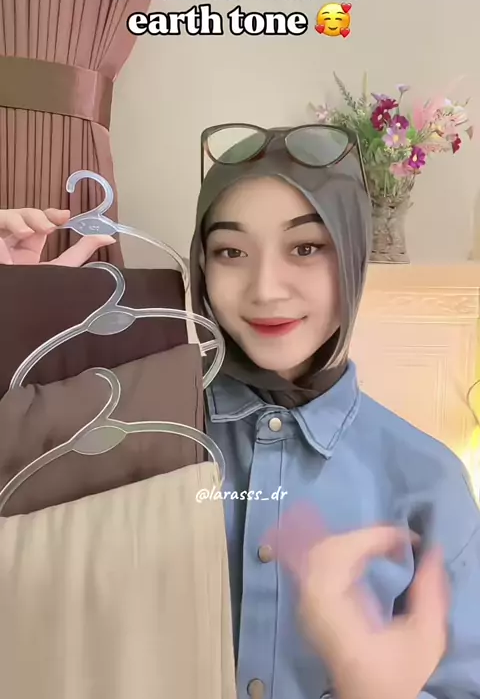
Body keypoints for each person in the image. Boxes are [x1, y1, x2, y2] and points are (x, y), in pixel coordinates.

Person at [0, 123, 479, 699]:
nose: (266, 289)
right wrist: (21, 326)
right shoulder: (133, 415)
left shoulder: (428, 479)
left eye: (306, 247)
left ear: (353, 253)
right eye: (231, 252)